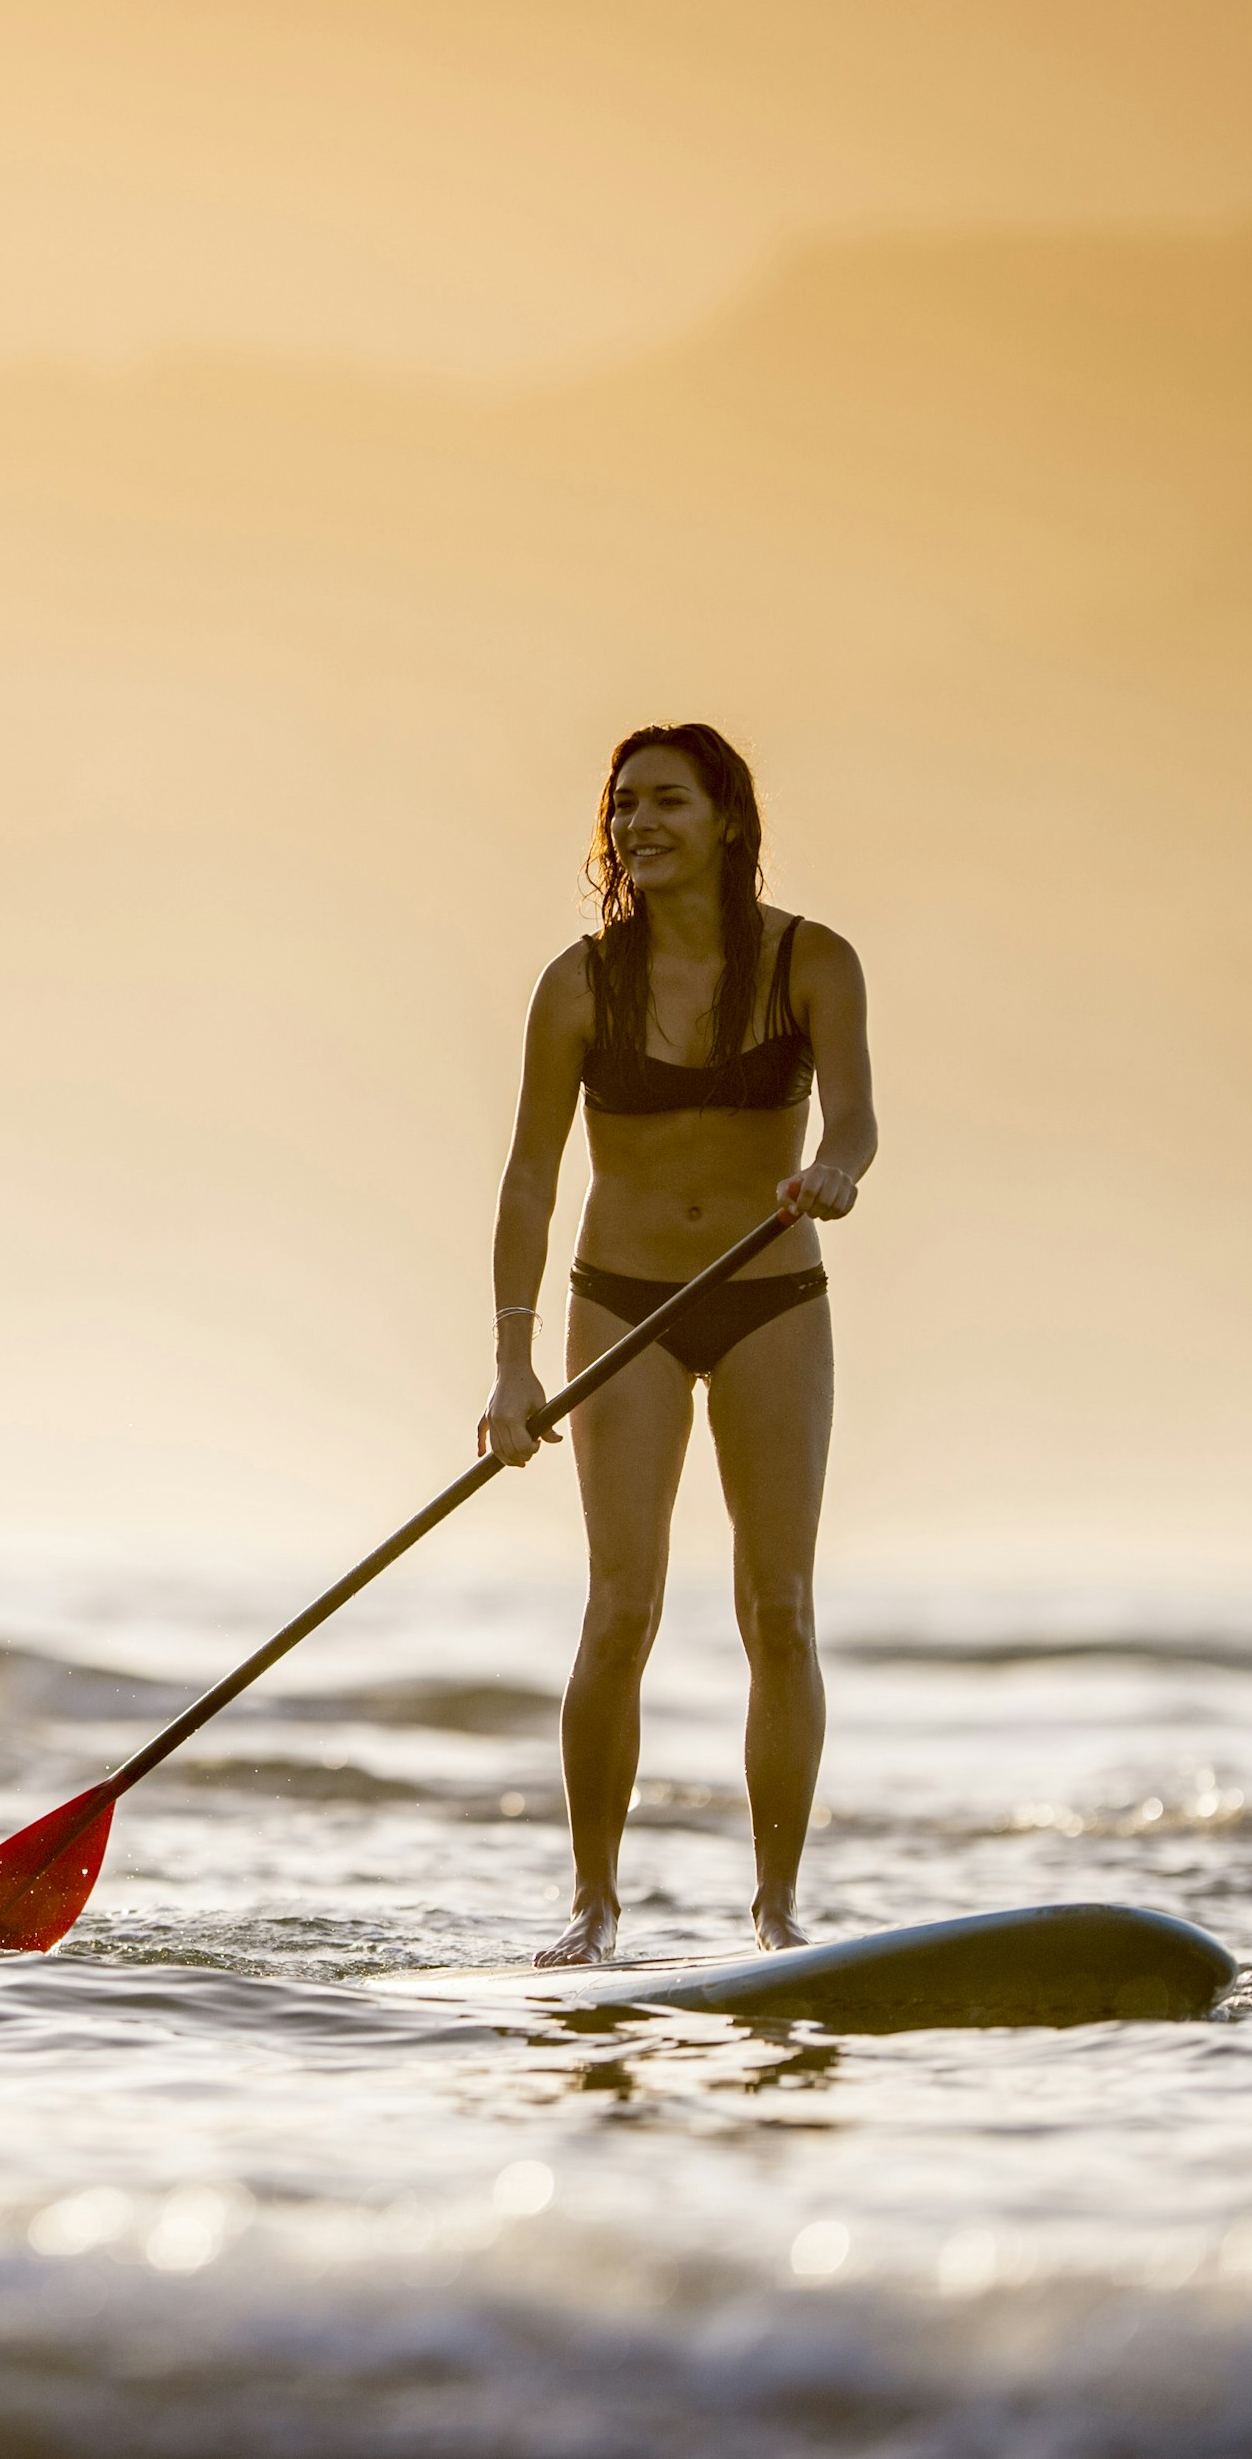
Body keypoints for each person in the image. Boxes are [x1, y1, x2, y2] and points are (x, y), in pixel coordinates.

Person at [480, 723, 875, 1963]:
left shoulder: (815, 961)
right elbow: (533, 1179)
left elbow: (858, 1124)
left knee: (782, 1611)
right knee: (618, 1610)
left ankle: (775, 1913)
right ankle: (594, 1908)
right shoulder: (577, 984)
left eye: (666, 803)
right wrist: (511, 1364)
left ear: (727, 823)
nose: (638, 825)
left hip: (771, 1300)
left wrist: (832, 1173)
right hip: (621, 1307)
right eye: (624, 806)